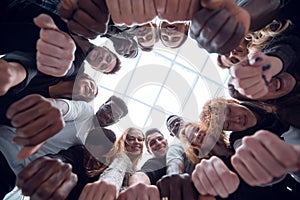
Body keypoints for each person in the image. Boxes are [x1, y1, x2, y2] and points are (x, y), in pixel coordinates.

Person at [15, 127, 116, 200]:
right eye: (91, 142)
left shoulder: (106, 167)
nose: (91, 147)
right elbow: (65, 157)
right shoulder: (79, 151)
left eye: (97, 143)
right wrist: (55, 162)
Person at [79, 127, 145, 199]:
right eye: (131, 139)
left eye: (140, 139)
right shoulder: (120, 157)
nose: (136, 142)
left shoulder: (136, 170)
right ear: (124, 141)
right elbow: (115, 172)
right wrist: (107, 185)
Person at [117, 128, 168, 199]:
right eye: (152, 143)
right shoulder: (154, 163)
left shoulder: (183, 153)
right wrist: (138, 185)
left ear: (166, 141)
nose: (158, 143)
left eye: (160, 139)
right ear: (149, 151)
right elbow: (143, 173)